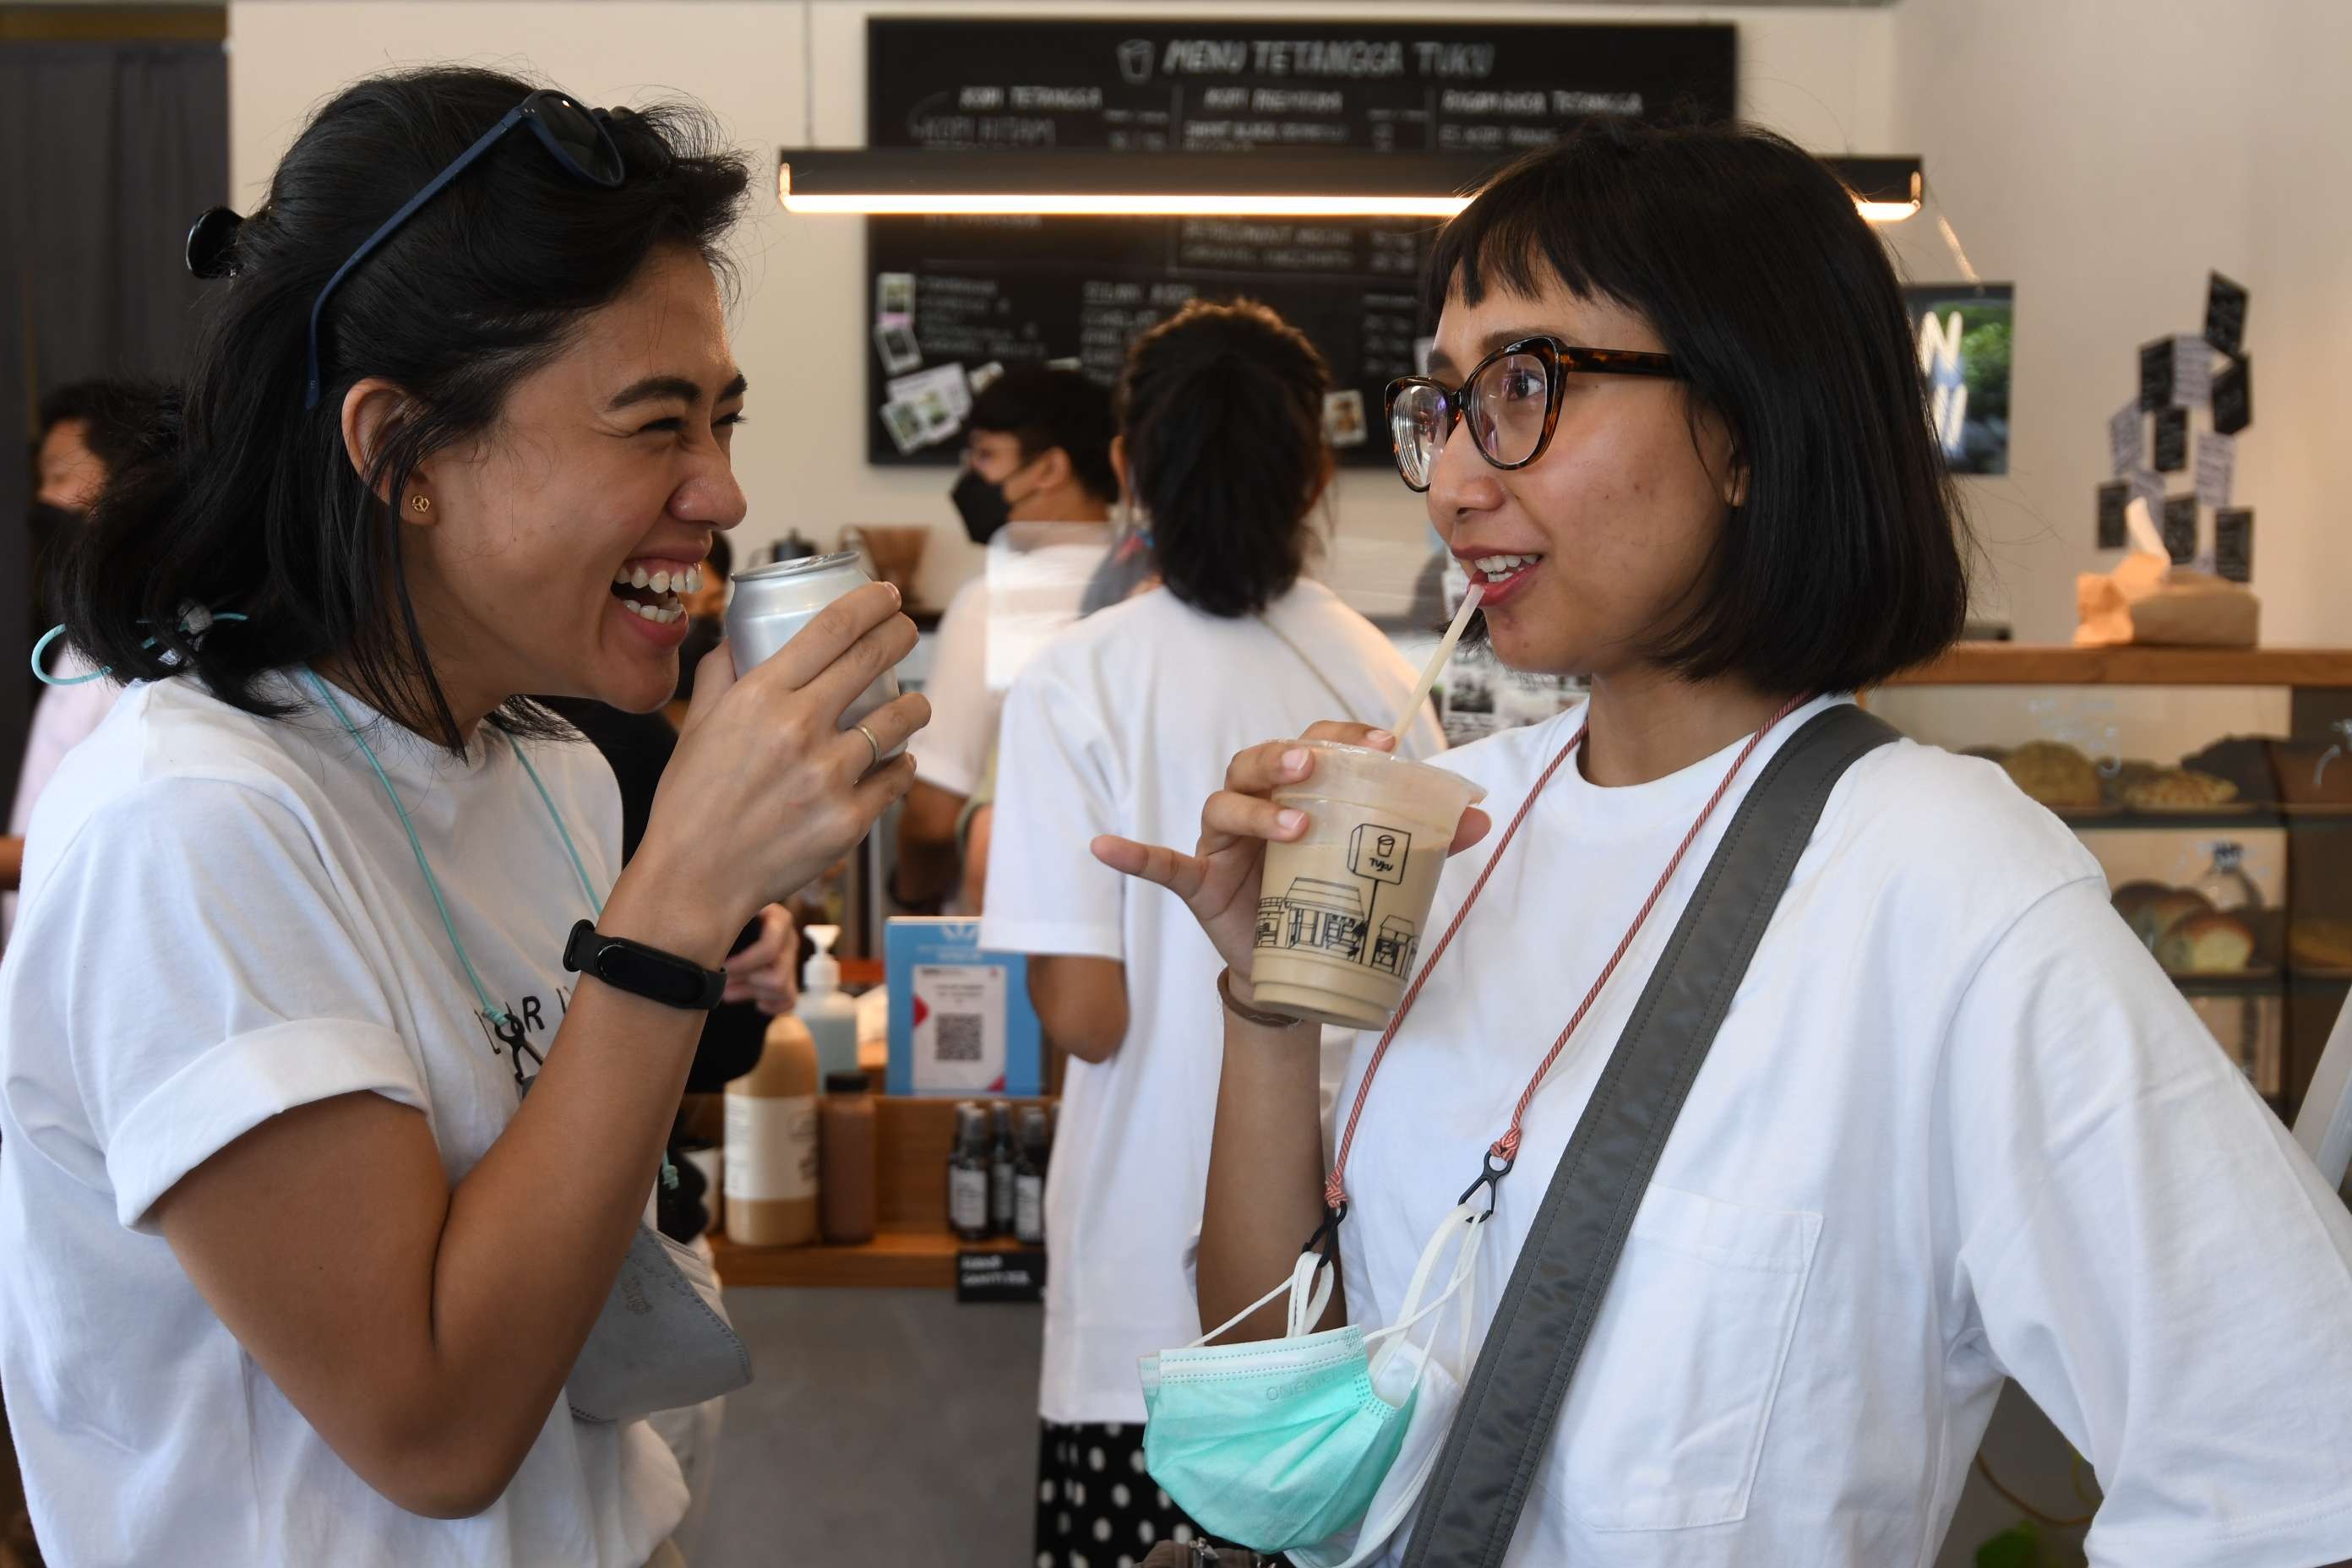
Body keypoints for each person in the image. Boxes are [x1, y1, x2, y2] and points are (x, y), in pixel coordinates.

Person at [1099, 119, 2352, 1567]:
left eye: (1523, 386)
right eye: (1439, 405)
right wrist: (1265, 1011)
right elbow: (1278, 1461)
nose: (1448, 480)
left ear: (1750, 430)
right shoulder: (1457, 828)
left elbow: (2287, 1462)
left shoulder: (1942, 886)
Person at [0, 67, 925, 1568]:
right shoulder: (191, 824)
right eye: (654, 425)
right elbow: (431, 1433)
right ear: (401, 454)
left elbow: (560, 1282)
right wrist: (674, 903)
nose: (723, 489)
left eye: (725, 419)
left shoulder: (547, 769)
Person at [981, 299, 1446, 1567]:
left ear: (1126, 463)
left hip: (1140, 1281)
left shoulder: (1076, 678)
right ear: (1314, 471)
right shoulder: (1385, 682)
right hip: (1338, 1282)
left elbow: (1087, 1016)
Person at [898, 366, 1117, 912]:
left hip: (1010, 937)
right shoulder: (1163, 586)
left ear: (1050, 467)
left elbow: (931, 818)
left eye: (986, 455)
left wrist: (909, 895)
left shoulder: (996, 601)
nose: (972, 475)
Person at [3, 380, 177, 939]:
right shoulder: (80, 640)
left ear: (129, 482)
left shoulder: (161, 649)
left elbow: (130, 841)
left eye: (61, 475)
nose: (45, 502)